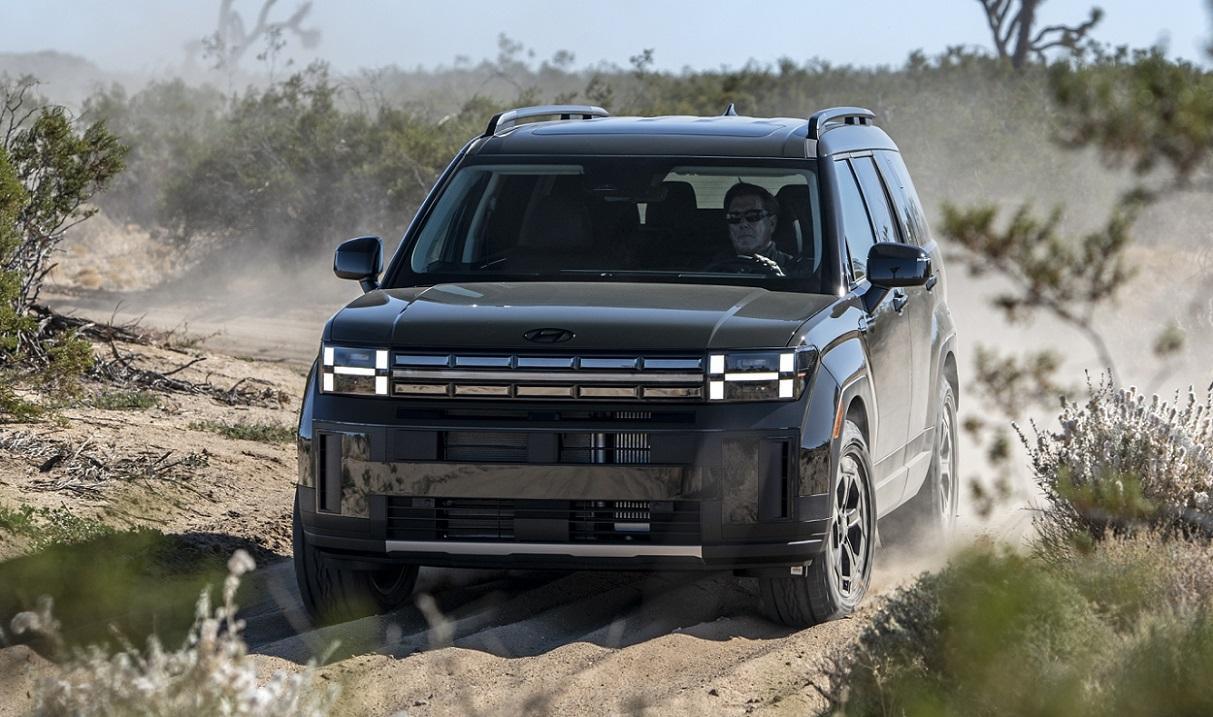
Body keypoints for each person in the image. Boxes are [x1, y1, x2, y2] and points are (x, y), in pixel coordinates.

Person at [713, 182, 797, 275]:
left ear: (772, 223)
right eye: (734, 218)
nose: (743, 224)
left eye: (753, 216)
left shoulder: (796, 270)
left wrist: (781, 281)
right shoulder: (711, 270)